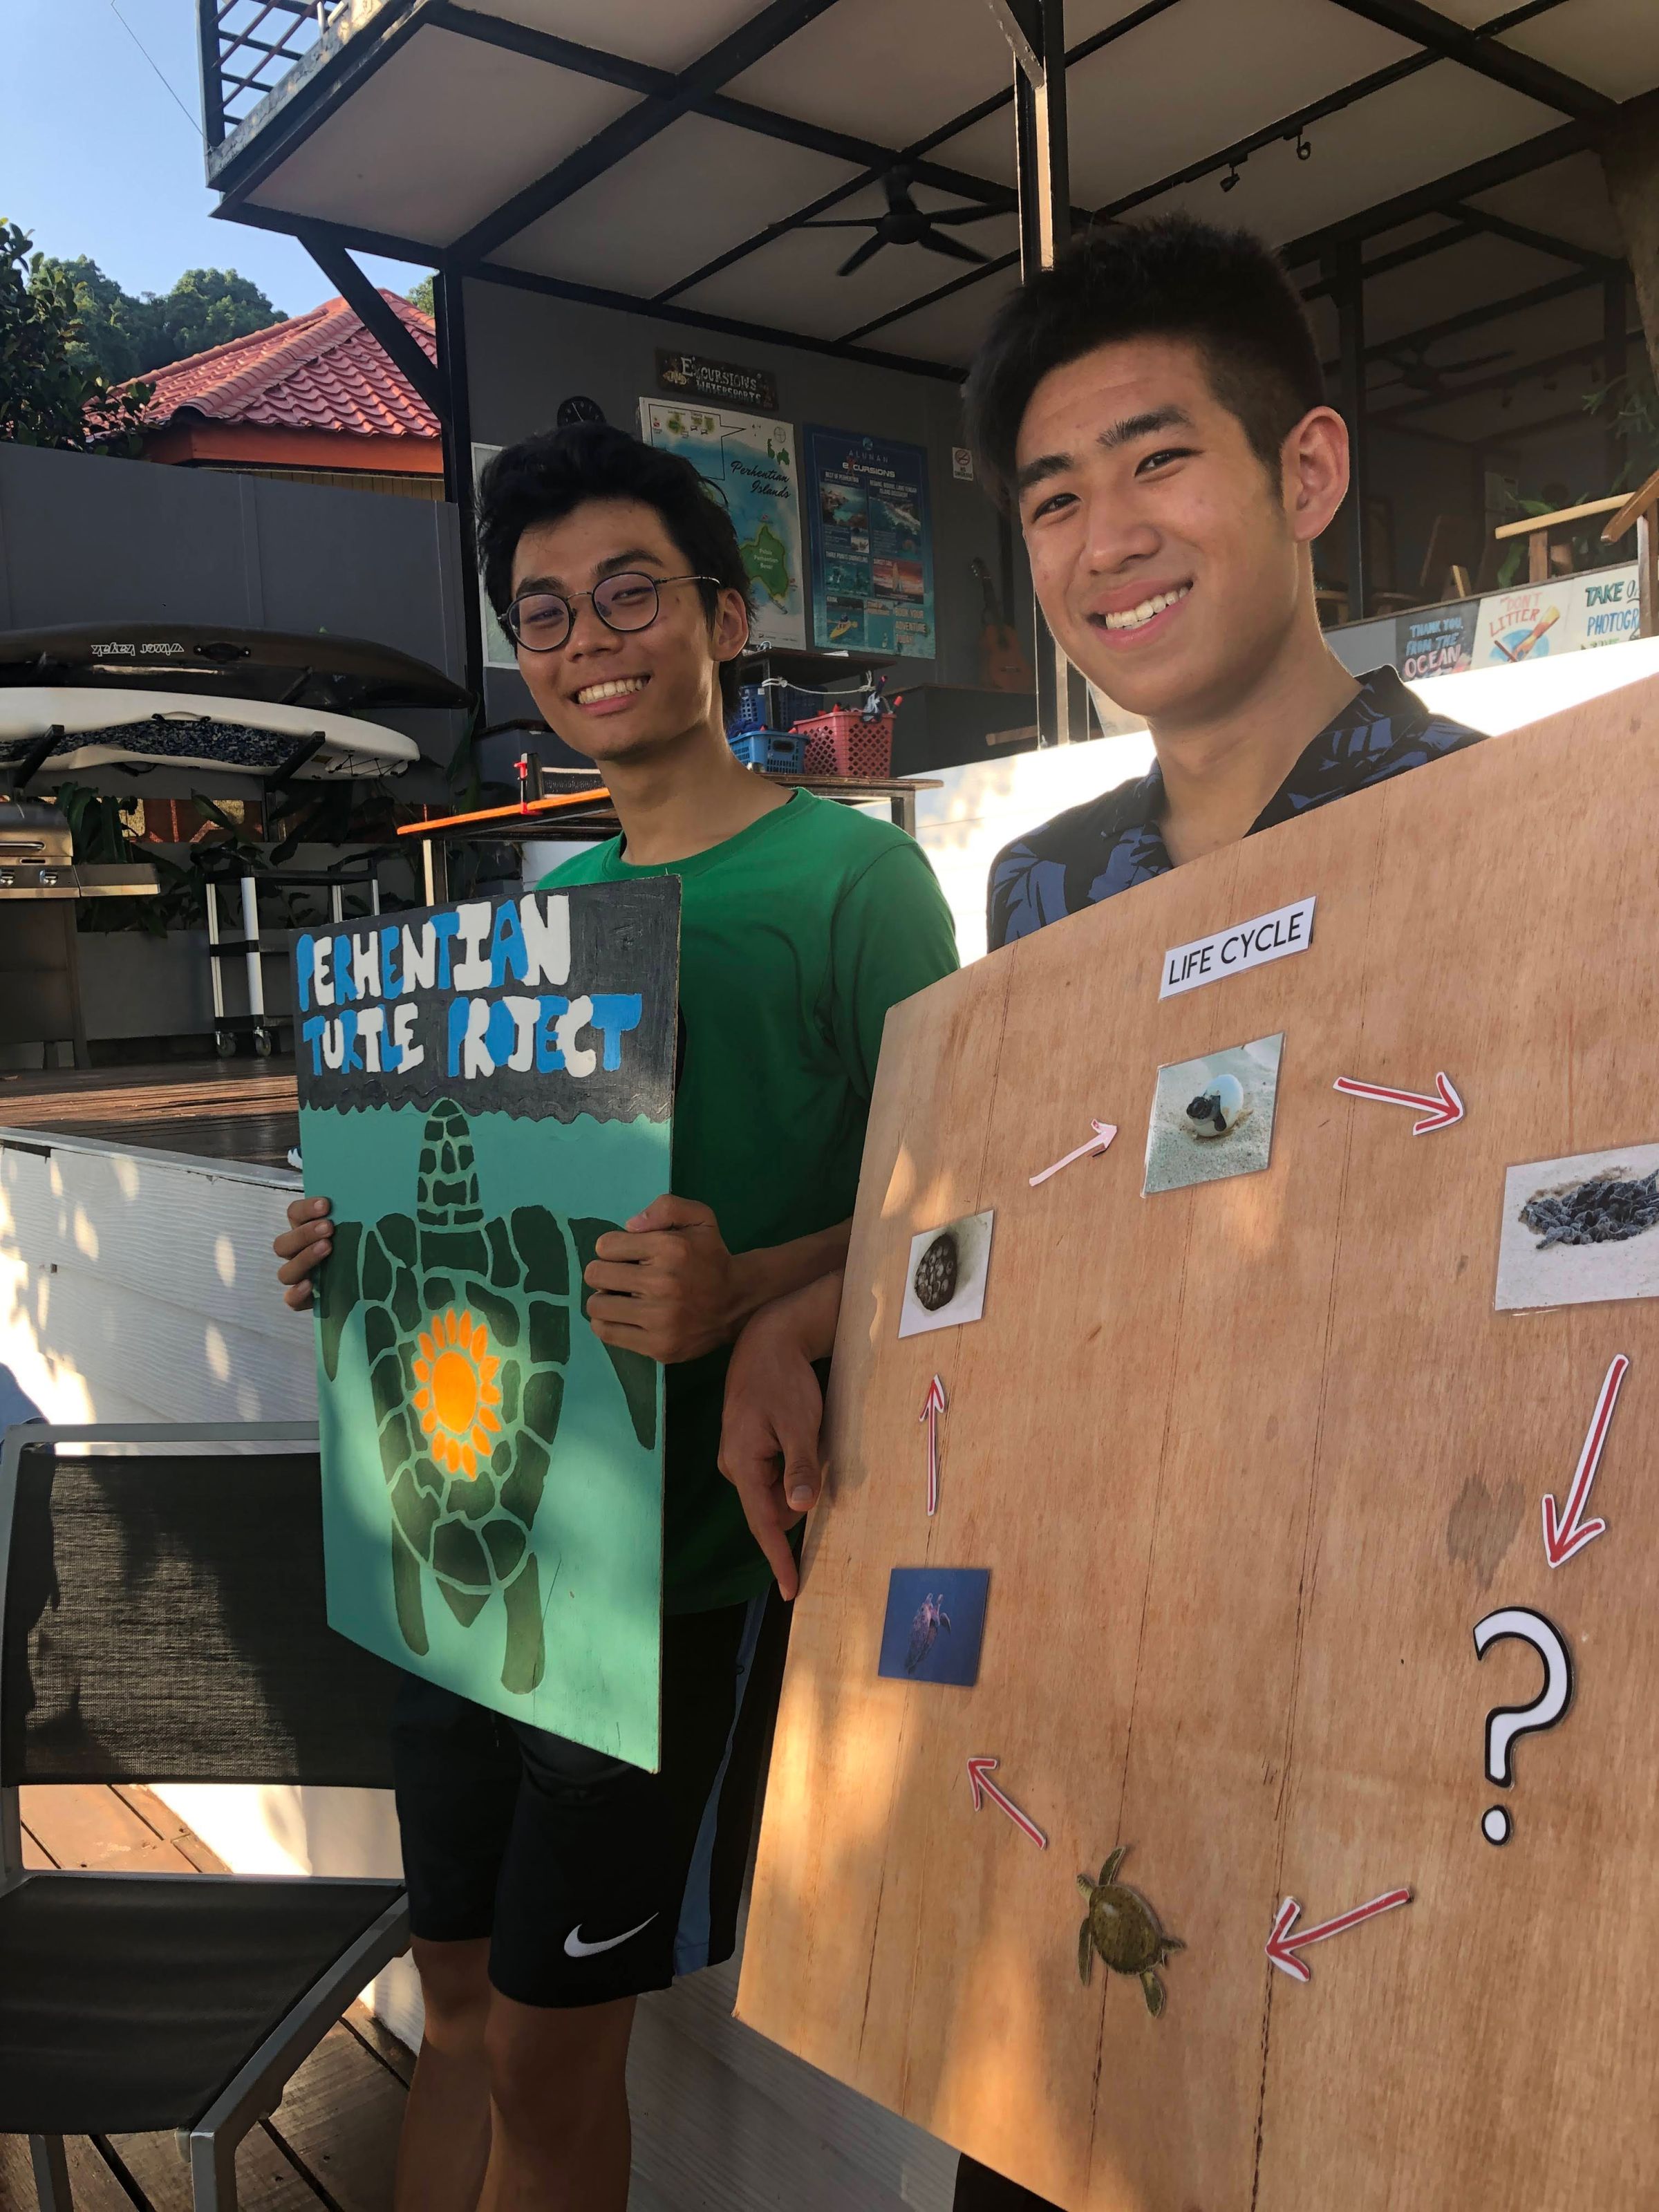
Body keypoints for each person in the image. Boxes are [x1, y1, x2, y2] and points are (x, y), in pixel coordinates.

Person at [715, 214, 1485, 2212]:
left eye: (1160, 461)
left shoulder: (1516, 842)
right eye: (1054, 499)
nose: (1106, 539)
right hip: (1105, 1709)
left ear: (1300, 474)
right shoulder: (1042, 896)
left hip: (1398, 1715)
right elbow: (1022, 1241)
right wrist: (823, 1310)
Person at [273, 421, 958, 2212]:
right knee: (458, 2000)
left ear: (727, 617)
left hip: (666, 1589)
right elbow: (482, 1220)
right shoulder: (542, 915)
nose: (587, 642)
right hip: (467, 1554)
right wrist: (344, 1263)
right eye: (546, 611)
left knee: (561, 2048)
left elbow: (965, 1209)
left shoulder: (856, 884)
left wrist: (755, 1287)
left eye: (632, 594)